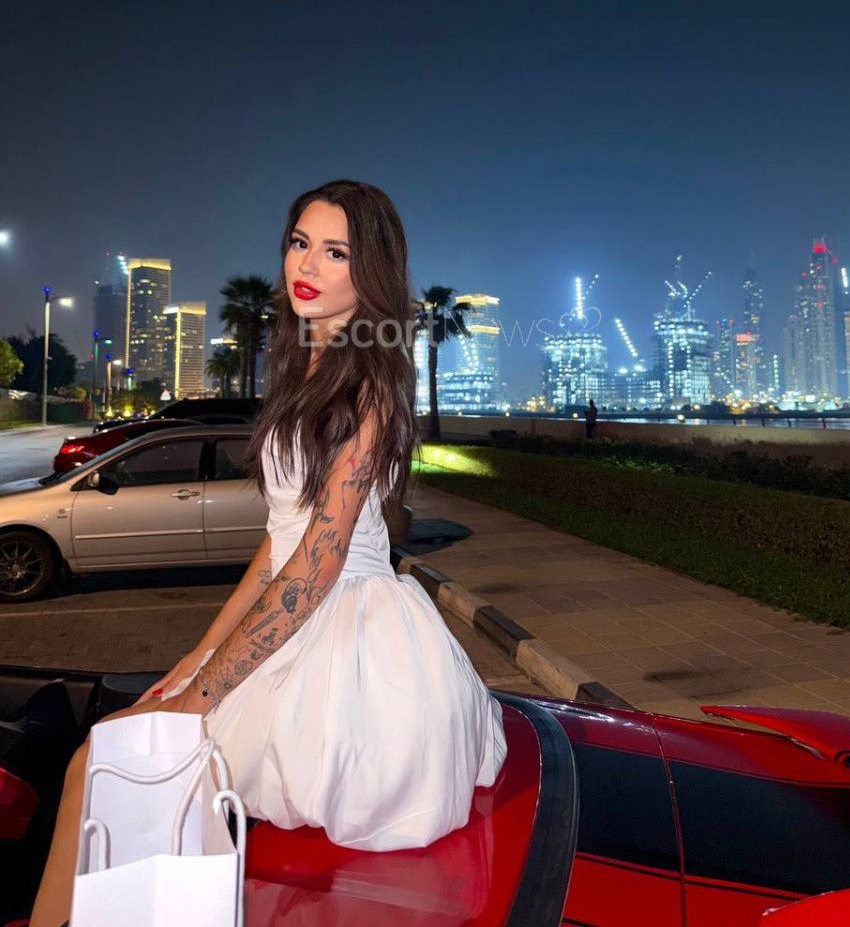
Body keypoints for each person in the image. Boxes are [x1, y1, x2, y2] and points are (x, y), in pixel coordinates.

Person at [30, 179, 508, 927]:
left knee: (106, 767)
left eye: (336, 252)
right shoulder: (308, 368)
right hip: (295, 617)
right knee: (108, 770)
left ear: (371, 271)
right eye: (299, 242)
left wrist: (199, 698)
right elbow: (278, 544)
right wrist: (200, 655)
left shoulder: (372, 383)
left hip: (347, 639)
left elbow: (316, 565)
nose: (306, 265)